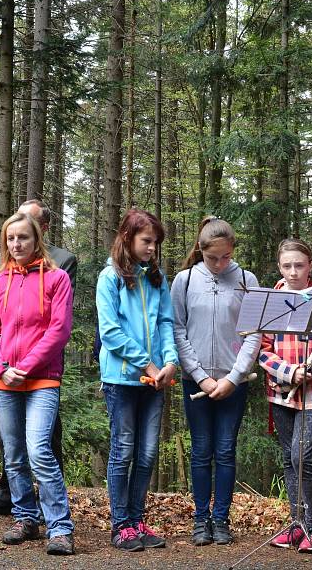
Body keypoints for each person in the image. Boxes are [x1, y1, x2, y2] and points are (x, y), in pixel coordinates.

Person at [0, 212, 75, 555]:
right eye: (11, 238)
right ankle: (25, 517)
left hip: (43, 379)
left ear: (37, 240)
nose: (16, 244)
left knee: (39, 450)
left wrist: (27, 366)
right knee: (14, 455)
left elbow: (59, 331)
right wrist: (1, 367)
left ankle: (60, 527)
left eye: (23, 238)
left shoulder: (57, 278)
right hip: (3, 380)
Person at [170, 217, 261, 546]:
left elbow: (253, 334)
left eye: (226, 257)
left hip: (234, 382)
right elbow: (177, 330)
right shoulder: (185, 279)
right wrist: (201, 377)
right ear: (201, 250)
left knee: (225, 450)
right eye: (213, 258)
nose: (220, 264)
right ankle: (200, 520)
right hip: (196, 381)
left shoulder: (247, 280)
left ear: (233, 250)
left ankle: (221, 519)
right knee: (201, 450)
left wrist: (233, 378)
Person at [96, 208, 178, 552]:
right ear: (127, 238)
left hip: (155, 381)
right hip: (121, 380)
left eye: (156, 243)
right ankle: (121, 525)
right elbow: (110, 332)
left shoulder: (157, 278)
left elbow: (165, 324)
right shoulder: (109, 278)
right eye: (147, 241)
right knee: (123, 450)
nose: (152, 248)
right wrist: (146, 364)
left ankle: (137, 520)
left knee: (147, 454)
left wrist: (170, 361)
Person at [260, 239, 312, 554]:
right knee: (288, 460)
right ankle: (297, 524)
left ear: (310, 266)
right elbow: (262, 348)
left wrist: (307, 369)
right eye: (287, 265)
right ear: (280, 267)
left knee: (301, 457)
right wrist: (288, 372)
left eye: (299, 265)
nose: (293, 272)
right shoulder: (270, 300)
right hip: (281, 391)